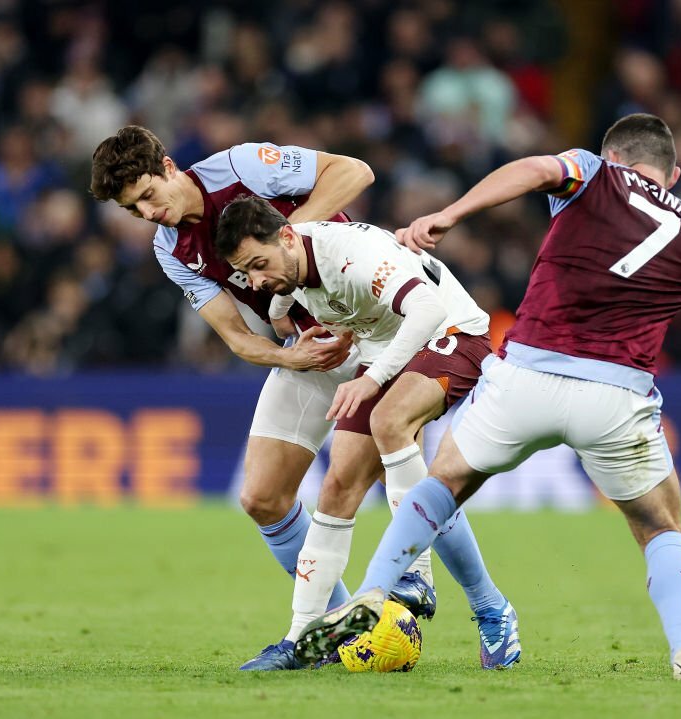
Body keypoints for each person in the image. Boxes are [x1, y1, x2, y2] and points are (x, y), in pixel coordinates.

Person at [290, 113, 681, 680]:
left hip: (525, 378)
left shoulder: (595, 173)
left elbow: (533, 169)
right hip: (616, 397)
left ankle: (376, 590)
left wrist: (449, 214)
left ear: (615, 156)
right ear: (673, 174)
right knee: (660, 526)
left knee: (442, 483)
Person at [89, 127, 514, 670]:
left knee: (392, 466)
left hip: (376, 325)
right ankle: (333, 629)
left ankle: (489, 607)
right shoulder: (171, 249)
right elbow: (237, 336)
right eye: (133, 209)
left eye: (147, 195)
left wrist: (287, 236)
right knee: (262, 496)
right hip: (310, 350)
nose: (147, 213)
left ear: (169, 167)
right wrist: (289, 356)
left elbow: (355, 170)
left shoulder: (241, 168)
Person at [215, 197, 520, 669]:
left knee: (388, 420)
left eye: (259, 265)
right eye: (246, 273)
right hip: (390, 348)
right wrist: (278, 307)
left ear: (289, 237)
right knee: (337, 486)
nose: (255, 280)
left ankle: (416, 576)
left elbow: (425, 309)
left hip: (454, 331)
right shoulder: (291, 268)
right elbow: (286, 291)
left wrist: (370, 380)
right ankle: (303, 638)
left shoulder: (352, 256)